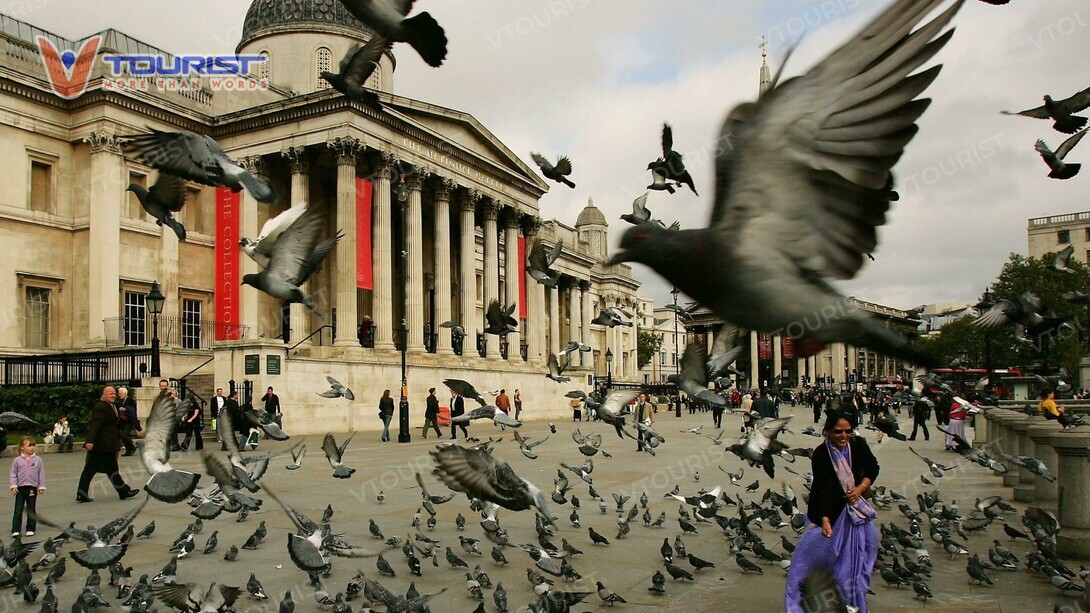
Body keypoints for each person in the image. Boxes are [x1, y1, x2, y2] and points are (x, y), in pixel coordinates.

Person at [785, 411, 880, 612]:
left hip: (855, 511)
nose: (844, 436)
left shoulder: (858, 445)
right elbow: (822, 487)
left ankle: (851, 601)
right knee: (818, 558)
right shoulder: (821, 453)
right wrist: (825, 520)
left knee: (859, 560)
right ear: (827, 431)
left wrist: (860, 488)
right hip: (830, 511)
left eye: (848, 431)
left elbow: (873, 468)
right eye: (838, 432)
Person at [76, 386, 140, 503]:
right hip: (101, 445)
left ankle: (122, 491)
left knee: (107, 469)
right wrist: (90, 441)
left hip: (108, 444)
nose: (113, 395)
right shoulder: (101, 406)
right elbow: (95, 425)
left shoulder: (112, 405)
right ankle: (123, 491)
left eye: (114, 394)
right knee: (94, 469)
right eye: (110, 394)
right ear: (104, 394)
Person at [9, 437, 44, 537]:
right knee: (18, 509)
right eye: (29, 445)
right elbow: (13, 474)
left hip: (32, 487)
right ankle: (16, 529)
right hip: (20, 488)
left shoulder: (38, 460)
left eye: (33, 445)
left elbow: (41, 474)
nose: (32, 448)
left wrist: (41, 486)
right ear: (22, 447)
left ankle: (30, 528)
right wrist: (13, 486)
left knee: (31, 509)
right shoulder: (17, 460)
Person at [117, 386, 139, 457]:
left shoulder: (130, 400)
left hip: (129, 421)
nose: (119, 395)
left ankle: (132, 447)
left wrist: (125, 409)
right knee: (122, 436)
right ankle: (128, 450)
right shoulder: (120, 401)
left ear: (125, 393)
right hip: (123, 420)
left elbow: (133, 409)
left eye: (120, 393)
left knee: (125, 435)